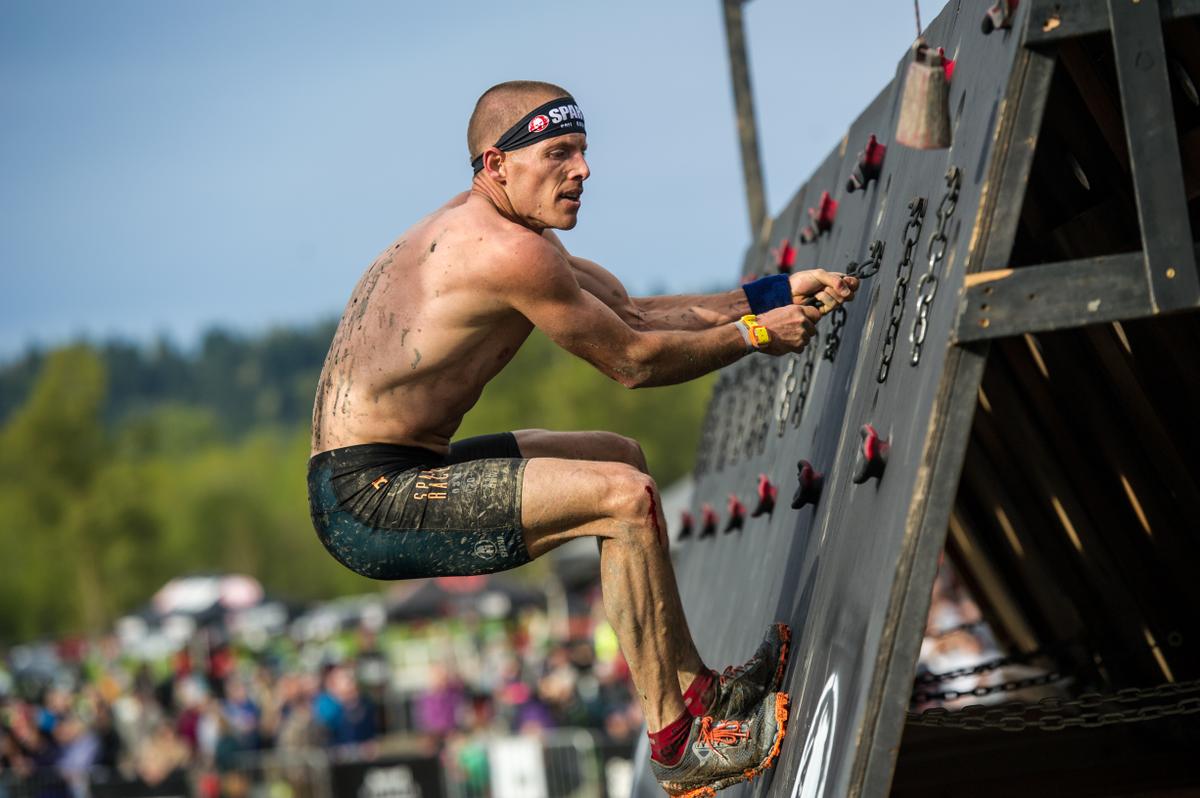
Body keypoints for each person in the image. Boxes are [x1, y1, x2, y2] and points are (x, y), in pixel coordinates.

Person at [307, 80, 859, 796]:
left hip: (400, 464)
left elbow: (633, 313)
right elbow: (633, 362)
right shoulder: (510, 254)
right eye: (559, 153)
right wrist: (754, 335)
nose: (583, 170)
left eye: (585, 152)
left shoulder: (514, 238)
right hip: (368, 496)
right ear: (495, 164)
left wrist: (772, 293)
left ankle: (704, 694)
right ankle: (676, 744)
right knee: (622, 499)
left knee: (619, 459)